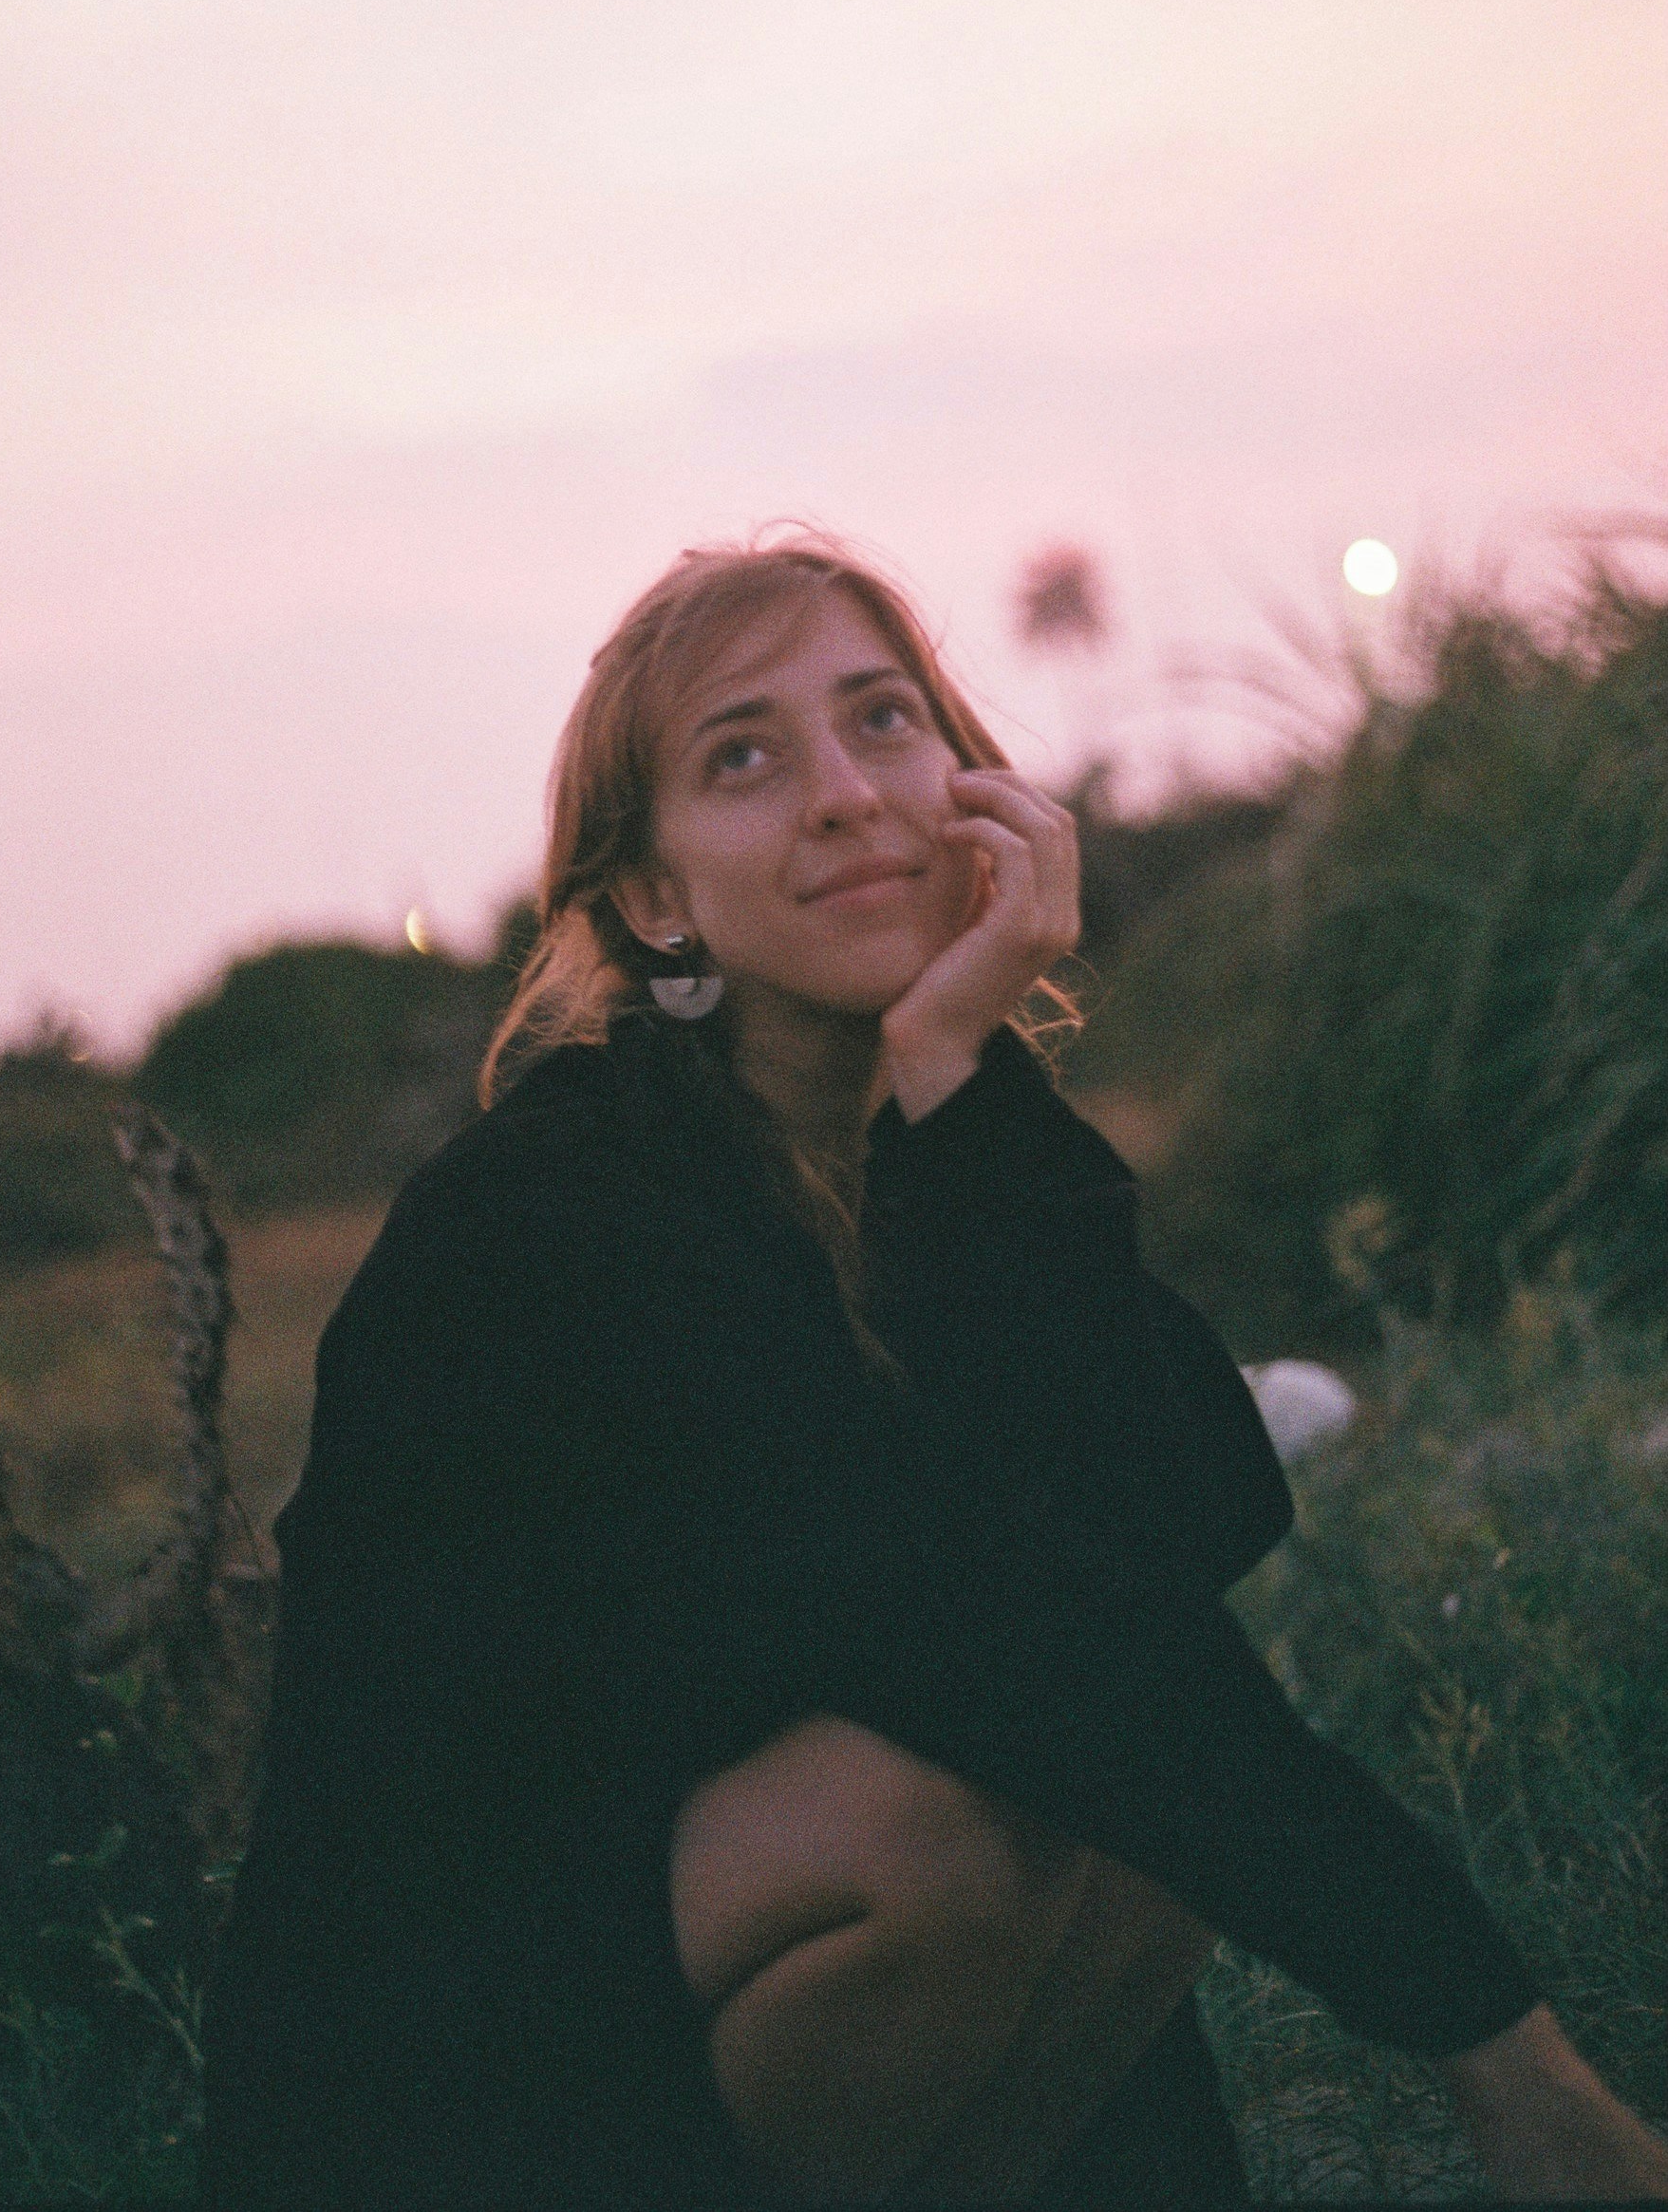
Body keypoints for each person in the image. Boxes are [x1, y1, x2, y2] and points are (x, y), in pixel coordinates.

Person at [197, 526, 1668, 2209]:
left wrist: (962, 1063)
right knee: (936, 1839)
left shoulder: (936, 1130)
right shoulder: (557, 1211)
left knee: (1127, 1813)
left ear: (976, 787)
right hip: (443, 2068)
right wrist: (1503, 2057)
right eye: (742, 756)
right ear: (653, 896)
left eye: (883, 719)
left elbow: (1178, 1521)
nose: (842, 792)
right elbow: (1010, 1640)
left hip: (698, 1972)